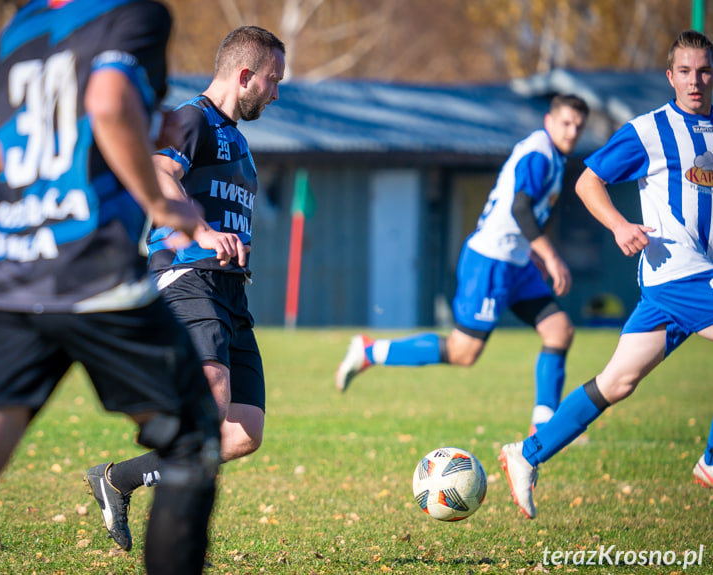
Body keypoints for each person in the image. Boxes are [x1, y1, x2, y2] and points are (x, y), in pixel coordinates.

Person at [0, 2, 221, 574]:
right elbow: (106, 101)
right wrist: (160, 201)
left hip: (4, 275)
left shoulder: (23, 25)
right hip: (89, 271)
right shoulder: (134, 14)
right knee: (193, 439)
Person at [85, 26, 285, 551]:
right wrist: (203, 232)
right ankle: (174, 545)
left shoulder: (238, 140)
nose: (276, 92)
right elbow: (156, 172)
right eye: (272, 80)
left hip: (230, 292)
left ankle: (118, 480)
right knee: (213, 396)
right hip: (187, 275)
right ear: (245, 76)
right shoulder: (191, 118)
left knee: (243, 432)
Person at [500, 29, 713, 520]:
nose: (695, 80)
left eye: (703, 71)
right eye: (685, 71)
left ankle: (526, 455)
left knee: (616, 382)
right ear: (670, 76)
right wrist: (618, 225)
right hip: (674, 272)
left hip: (684, 281)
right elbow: (588, 180)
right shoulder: (649, 131)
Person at [336, 94, 589, 435]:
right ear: (549, 121)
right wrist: (550, 255)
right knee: (463, 352)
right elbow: (520, 209)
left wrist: (533, 254)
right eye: (566, 123)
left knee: (559, 330)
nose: (572, 132)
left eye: (578, 126)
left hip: (516, 262)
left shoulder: (554, 158)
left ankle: (543, 427)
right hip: (490, 262)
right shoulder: (539, 153)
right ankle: (370, 351)